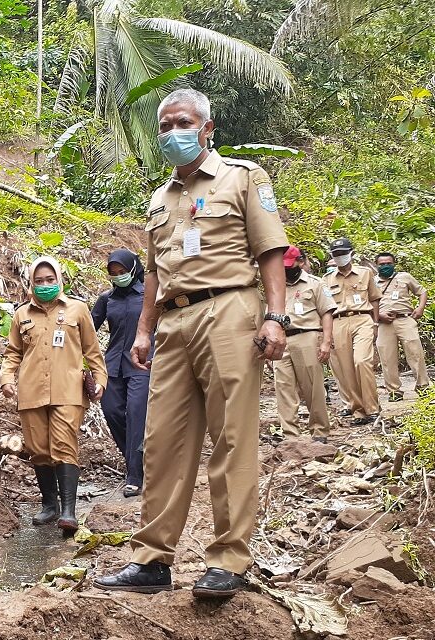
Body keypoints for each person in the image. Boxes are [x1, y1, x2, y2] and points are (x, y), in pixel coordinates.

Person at [94, 88, 289, 598]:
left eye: (182, 122)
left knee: (231, 437)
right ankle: (152, 560)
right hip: (173, 323)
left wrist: (276, 317)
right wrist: (143, 329)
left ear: (207, 128)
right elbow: (153, 272)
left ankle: (228, 559)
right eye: (164, 126)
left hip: (229, 309)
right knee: (162, 442)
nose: (172, 133)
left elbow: (270, 249)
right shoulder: (160, 198)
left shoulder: (242, 177)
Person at [1, 256, 106, 533]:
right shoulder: (21, 314)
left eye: (50, 280)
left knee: (63, 444)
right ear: (31, 283)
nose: (45, 285)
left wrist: (100, 379)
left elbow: (92, 349)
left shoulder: (78, 309)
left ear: (59, 280)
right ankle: (50, 505)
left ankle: (69, 511)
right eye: (39, 281)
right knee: (38, 449)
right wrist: (6, 378)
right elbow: (13, 352)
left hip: (68, 389)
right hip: (31, 390)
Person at [91, 249, 151, 497]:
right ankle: (140, 462)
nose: (118, 276)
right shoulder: (106, 299)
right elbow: (86, 330)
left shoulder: (149, 296)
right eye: (113, 273)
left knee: (136, 414)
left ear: (134, 269)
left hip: (142, 365)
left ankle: (135, 476)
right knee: (112, 411)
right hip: (113, 364)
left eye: (123, 271)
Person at [275, 246, 335, 441]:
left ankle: (319, 431)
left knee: (312, 387)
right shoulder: (275, 285)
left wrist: (326, 342)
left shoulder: (315, 283)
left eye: (289, 266)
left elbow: (326, 312)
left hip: (307, 336)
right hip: (281, 339)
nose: (286, 270)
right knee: (283, 387)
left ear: (300, 262)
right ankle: (290, 435)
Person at [324, 238, 382, 424]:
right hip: (338, 322)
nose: (340, 257)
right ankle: (358, 410)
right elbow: (324, 309)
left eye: (343, 253)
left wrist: (375, 323)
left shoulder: (365, 273)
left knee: (362, 361)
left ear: (351, 253)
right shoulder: (326, 280)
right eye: (336, 254)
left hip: (362, 319)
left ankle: (372, 408)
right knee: (346, 368)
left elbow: (374, 299)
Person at [374, 251, 430, 402]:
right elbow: (366, 303)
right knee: (387, 357)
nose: (385, 266)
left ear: (394, 264)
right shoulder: (371, 282)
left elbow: (422, 291)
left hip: (405, 319)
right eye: (382, 264)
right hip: (384, 324)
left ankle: (423, 387)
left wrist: (420, 308)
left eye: (388, 263)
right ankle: (394, 391)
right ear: (376, 265)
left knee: (415, 353)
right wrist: (379, 315)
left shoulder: (404, 277)